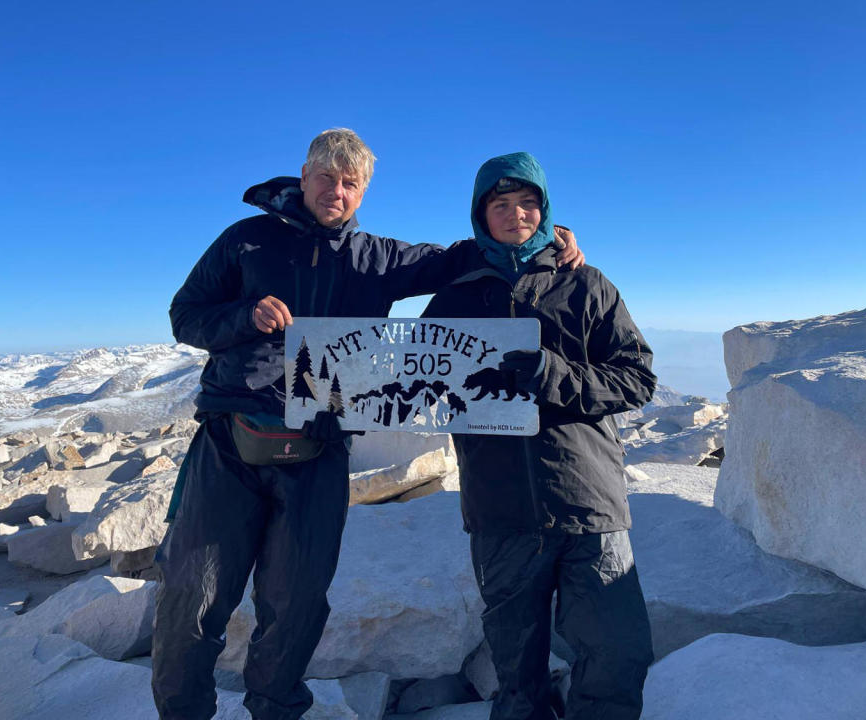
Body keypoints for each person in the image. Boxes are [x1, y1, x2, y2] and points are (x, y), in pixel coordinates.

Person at [152, 129, 584, 720]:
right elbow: (186, 315)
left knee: (298, 604)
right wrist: (245, 317)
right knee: (193, 599)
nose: (336, 190)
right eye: (326, 178)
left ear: (363, 193)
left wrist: (541, 236)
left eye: (350, 183)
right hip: (233, 439)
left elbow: (458, 255)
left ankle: (274, 711)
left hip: (321, 445)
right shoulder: (245, 242)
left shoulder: (374, 258)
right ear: (303, 178)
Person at [422, 152, 656, 720]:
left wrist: (551, 373)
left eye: (528, 203)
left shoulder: (587, 284)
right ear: (482, 215)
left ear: (545, 209)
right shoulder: (455, 297)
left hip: (587, 501)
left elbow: (637, 377)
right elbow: (417, 382)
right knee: (515, 670)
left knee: (616, 653)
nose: (516, 214)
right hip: (501, 510)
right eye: (500, 205)